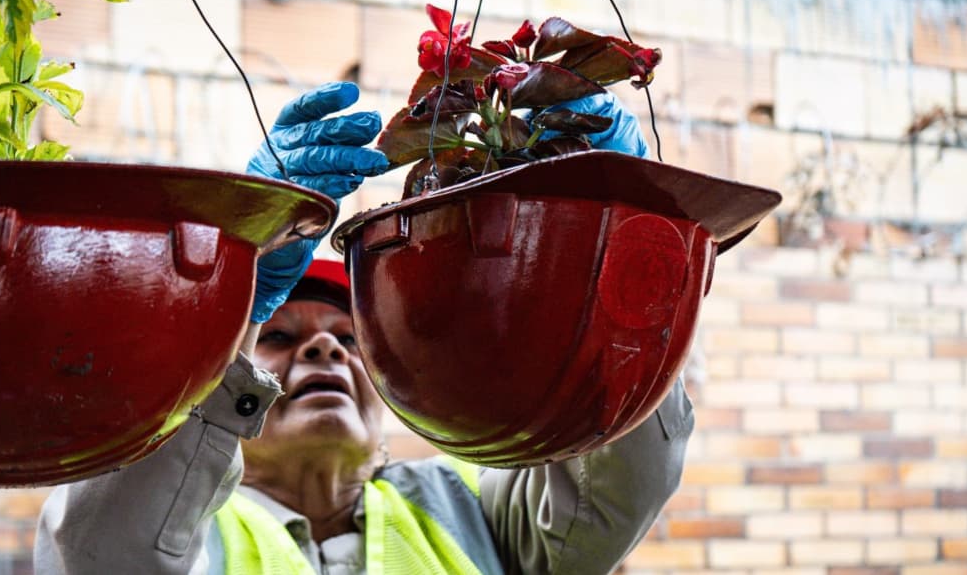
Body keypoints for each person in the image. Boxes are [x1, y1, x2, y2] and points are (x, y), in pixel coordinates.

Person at [34, 82, 690, 574]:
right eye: (279, 337)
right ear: (222, 413)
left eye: (350, 340)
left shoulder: (473, 509)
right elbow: (103, 553)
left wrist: (617, 270)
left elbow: (616, 491)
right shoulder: (187, 526)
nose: (324, 346)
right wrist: (232, 298)